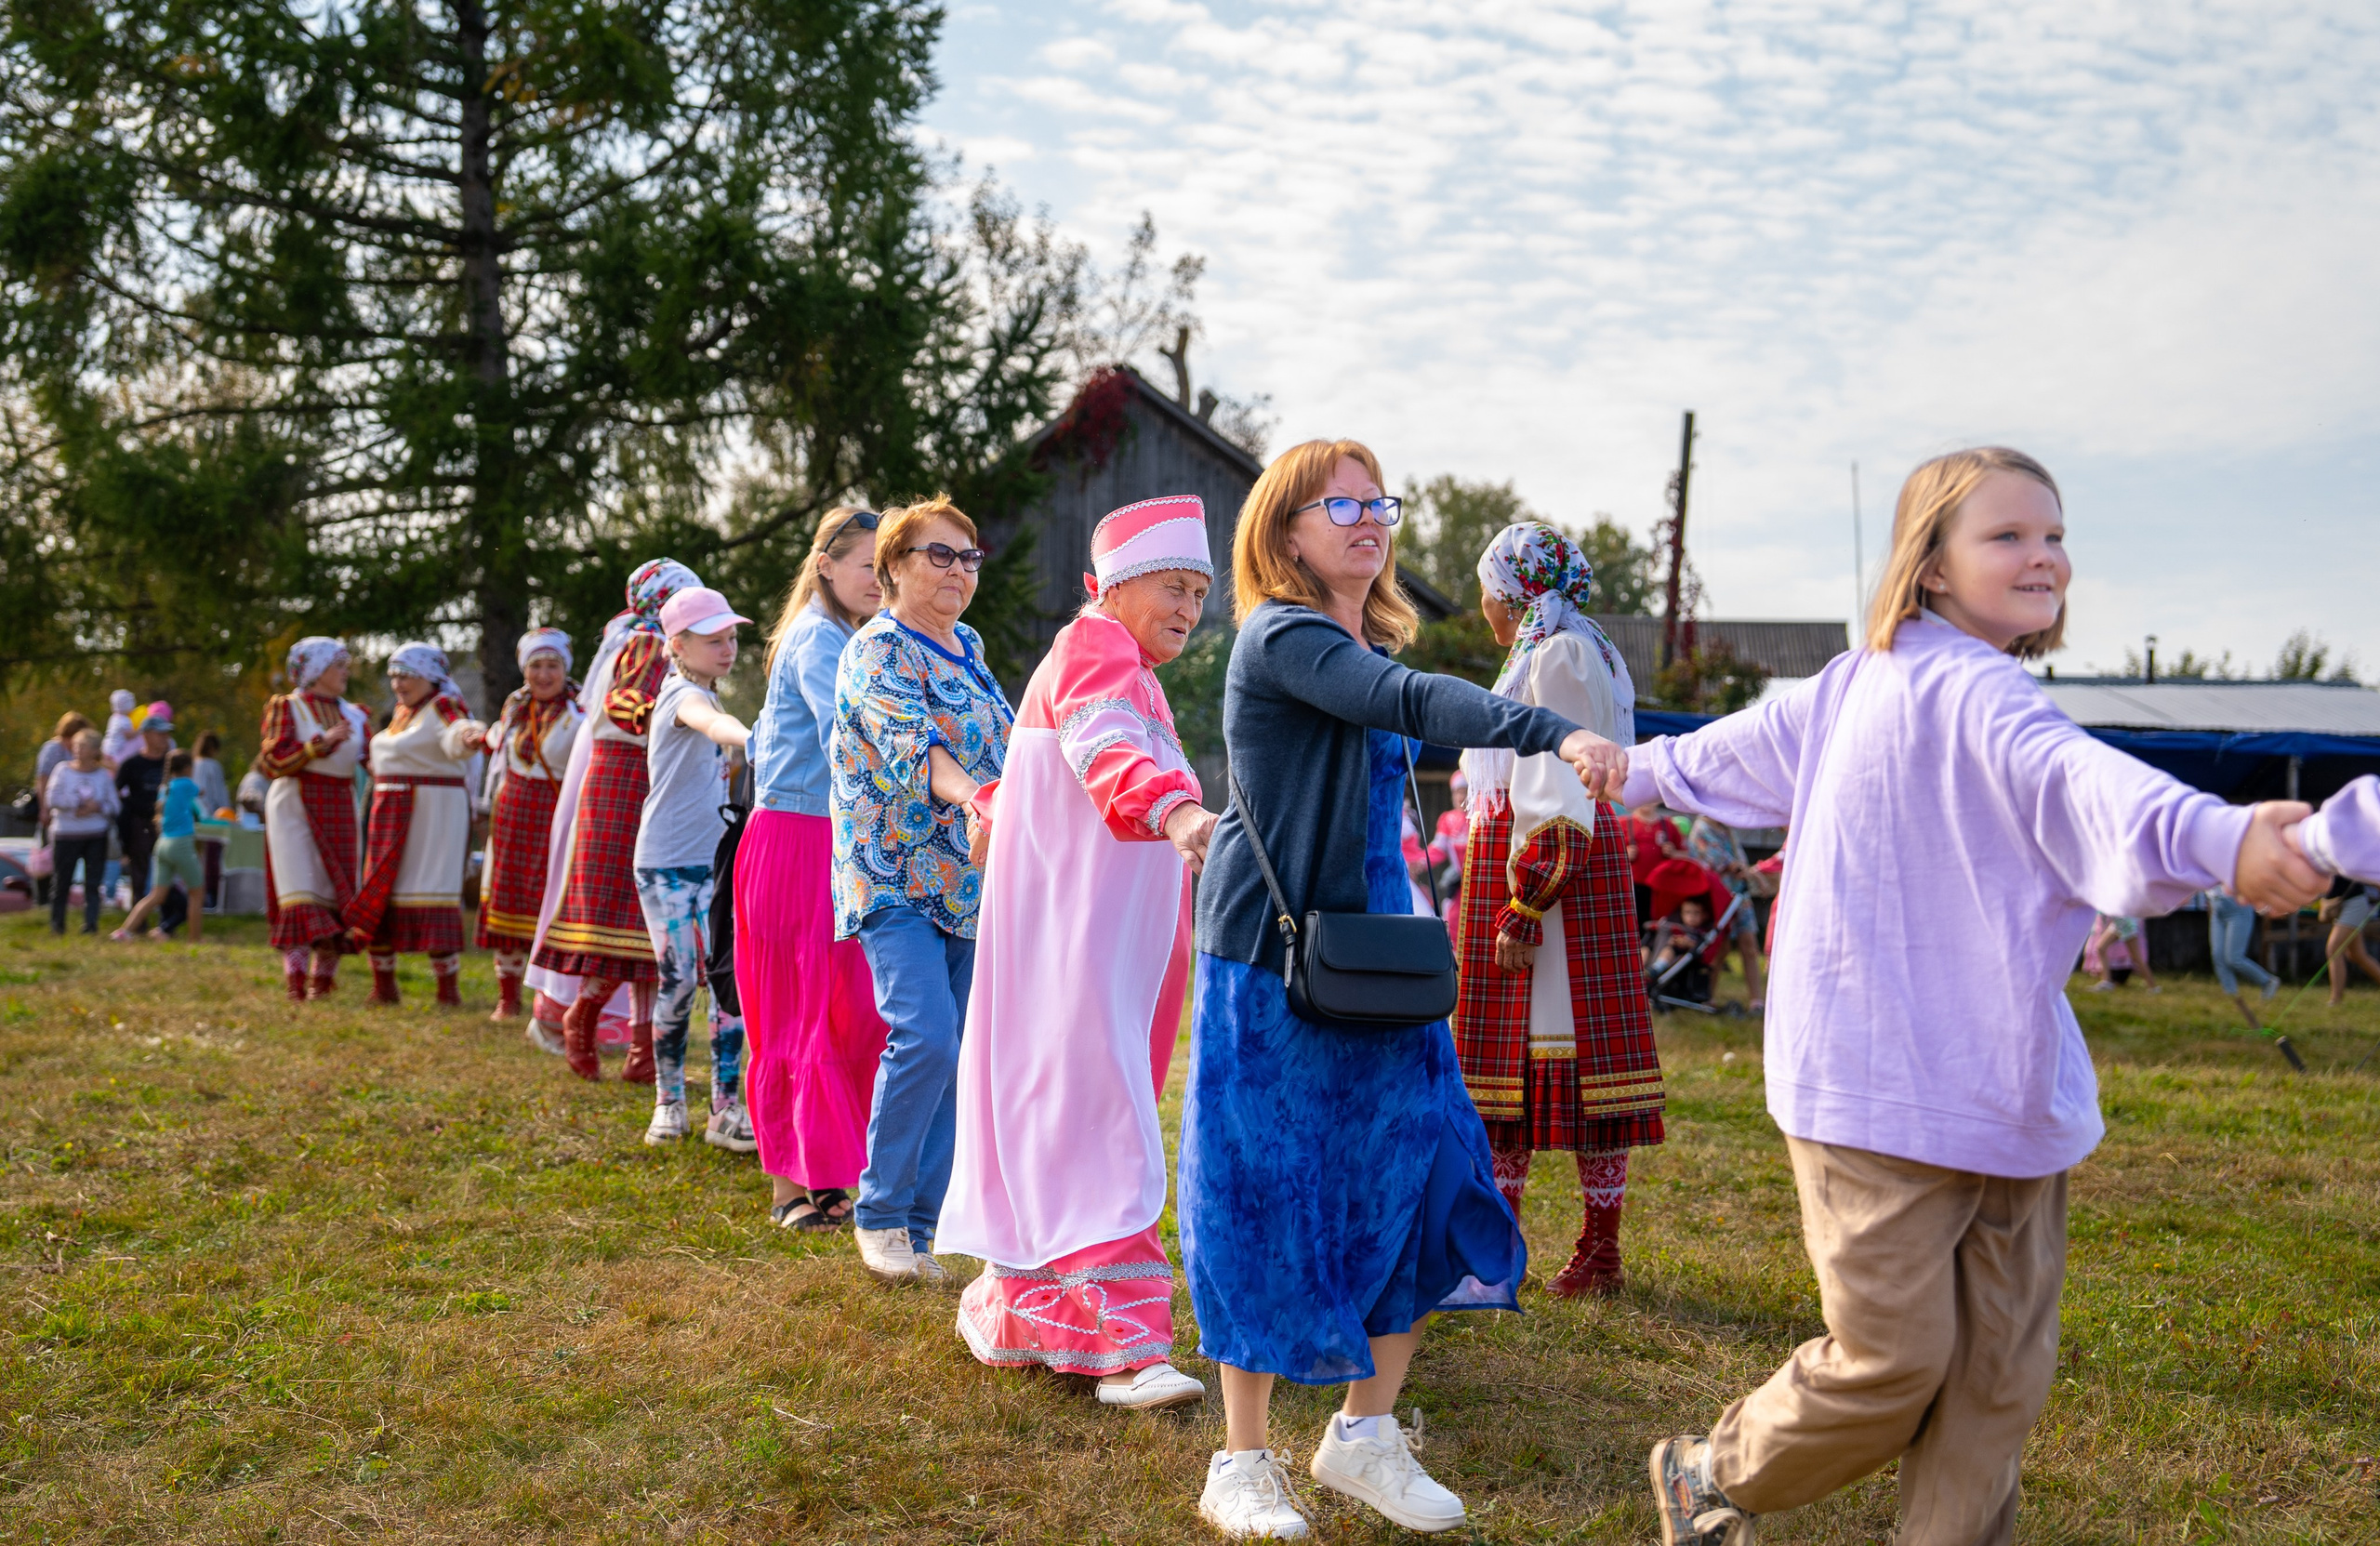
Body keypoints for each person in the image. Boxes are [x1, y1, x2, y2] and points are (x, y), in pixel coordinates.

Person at [1588, 447, 2328, 1546]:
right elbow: (1723, 756)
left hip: (2005, 1093)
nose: (2045, 557)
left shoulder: (1985, 700)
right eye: (2008, 535)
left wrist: (2218, 836)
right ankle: (1709, 1473)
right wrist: (1629, 767)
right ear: (1928, 565)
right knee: (1893, 1362)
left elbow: (2093, 791)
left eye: (2054, 534)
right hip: (1869, 1096)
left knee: (1995, 1385)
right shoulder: (1866, 685)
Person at [1185, 440, 1618, 1540]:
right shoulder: (1283, 635)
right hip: (1274, 960)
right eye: (1343, 503)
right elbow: (1406, 699)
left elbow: (1392, 697)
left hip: (1377, 954)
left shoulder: (1359, 633)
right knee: (1269, 1194)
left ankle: (1362, 1434)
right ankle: (1238, 1461)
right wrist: (1545, 726)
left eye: (1380, 502)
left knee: (1422, 1174)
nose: (1369, 519)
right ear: (1287, 530)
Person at [938, 495, 1220, 1411]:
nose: (1188, 607)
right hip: (1077, 952)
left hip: (1086, 950)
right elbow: (1105, 747)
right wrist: (1176, 808)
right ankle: (1129, 1348)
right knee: (1096, 1117)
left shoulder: (1112, 656)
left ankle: (1023, 1311)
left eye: (1200, 593)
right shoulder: (1099, 649)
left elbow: (1044, 762)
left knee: (1062, 1111)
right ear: (1121, 584)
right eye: (1173, 587)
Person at [1451, 522, 1665, 1302]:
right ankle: (1504, 1250)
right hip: (1546, 868)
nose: (1481, 605)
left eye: (1486, 591)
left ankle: (1591, 1254)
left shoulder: (1560, 655)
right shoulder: (1559, 651)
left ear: (1509, 593)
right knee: (1523, 1068)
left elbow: (1562, 782)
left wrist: (1527, 901)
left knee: (1567, 1064)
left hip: (1553, 877)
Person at [830, 495, 1013, 1287]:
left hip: (970, 878)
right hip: (893, 872)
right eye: (940, 554)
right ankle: (877, 1213)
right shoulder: (876, 650)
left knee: (957, 1051)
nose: (958, 570)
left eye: (969, 557)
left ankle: (920, 1224)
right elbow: (917, 747)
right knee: (927, 1035)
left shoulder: (967, 645)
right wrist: (977, 797)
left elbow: (1010, 742)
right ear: (894, 566)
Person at [737, 507, 892, 1230]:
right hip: (797, 838)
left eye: (888, 570)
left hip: (833, 838)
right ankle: (789, 1188)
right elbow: (849, 735)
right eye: (868, 566)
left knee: (847, 1010)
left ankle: (828, 1171)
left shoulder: (854, 638)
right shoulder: (817, 639)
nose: (879, 581)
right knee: (799, 1012)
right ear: (826, 566)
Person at [529, 559, 704, 1078]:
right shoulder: (650, 642)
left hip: (637, 774)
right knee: (624, 911)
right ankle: (583, 1020)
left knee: (649, 916)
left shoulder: (641, 638)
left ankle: (641, 1051)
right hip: (629, 777)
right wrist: (672, 715)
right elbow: (624, 702)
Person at [632, 587, 755, 1148]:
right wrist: (755, 739)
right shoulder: (680, 696)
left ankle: (726, 1109)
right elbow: (709, 725)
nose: (728, 649)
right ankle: (668, 1102)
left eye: (731, 637)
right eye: (714, 640)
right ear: (678, 646)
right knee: (680, 979)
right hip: (667, 863)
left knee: (726, 982)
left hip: (716, 862)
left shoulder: (708, 691)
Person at [342, 645, 485, 1006]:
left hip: (431, 814)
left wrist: (469, 737)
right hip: (390, 811)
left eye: (406, 675)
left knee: (431, 889)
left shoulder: (443, 705)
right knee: (383, 888)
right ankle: (384, 986)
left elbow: (458, 732)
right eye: (394, 675)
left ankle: (447, 991)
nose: (398, 683)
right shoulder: (404, 713)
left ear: (429, 676)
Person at [479, 628, 584, 1026]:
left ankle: (550, 999)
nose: (543, 675)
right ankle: (507, 999)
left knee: (550, 899)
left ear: (565, 668)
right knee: (508, 899)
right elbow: (499, 747)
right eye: (535, 666)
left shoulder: (581, 713)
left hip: (555, 815)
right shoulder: (514, 709)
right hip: (511, 817)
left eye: (552, 665)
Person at [260, 639, 372, 1000]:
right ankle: (295, 982)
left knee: (333, 892)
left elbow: (374, 761)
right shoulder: (288, 707)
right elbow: (272, 762)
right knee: (300, 891)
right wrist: (317, 745)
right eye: (338, 665)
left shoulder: (355, 715)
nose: (345, 672)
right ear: (316, 670)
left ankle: (322, 983)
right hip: (295, 803)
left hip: (340, 804)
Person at [113, 750, 205, 942]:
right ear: (188, 768)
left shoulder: (165, 788)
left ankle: (125, 931)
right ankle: (195, 939)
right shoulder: (186, 784)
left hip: (162, 844)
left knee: (156, 895)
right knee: (197, 893)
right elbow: (200, 792)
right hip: (181, 844)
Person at [1686, 815, 1767, 1010]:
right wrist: (1758, 878)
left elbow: (1738, 861)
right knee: (1720, 947)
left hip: (1740, 896)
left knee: (1749, 945)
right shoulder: (1702, 829)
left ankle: (1757, 1001)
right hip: (1719, 897)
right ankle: (1708, 996)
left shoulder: (1727, 829)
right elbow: (1729, 865)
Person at [44, 730, 116, 935]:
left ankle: (91, 925)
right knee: (61, 881)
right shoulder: (62, 771)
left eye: (83, 746)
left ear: (94, 751)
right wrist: (77, 803)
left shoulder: (102, 775)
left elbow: (115, 805)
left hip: (95, 835)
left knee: (93, 883)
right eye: (76, 746)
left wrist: (98, 807)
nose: (78, 750)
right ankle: (57, 925)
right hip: (66, 834)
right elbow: (52, 798)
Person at [113, 707, 176, 910]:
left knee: (169, 870)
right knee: (139, 870)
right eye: (160, 734)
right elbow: (115, 790)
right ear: (146, 735)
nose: (164, 738)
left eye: (167, 734)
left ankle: (167, 920)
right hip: (139, 823)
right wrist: (127, 809)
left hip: (167, 823)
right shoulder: (133, 763)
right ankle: (137, 923)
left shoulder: (172, 763)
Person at [2202, 888, 2278, 1022]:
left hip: (2238, 907)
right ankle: (2231, 997)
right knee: (2218, 956)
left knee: (2233, 958)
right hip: (2216, 906)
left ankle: (2267, 981)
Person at [2320, 877, 2380, 1006]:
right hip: (2341, 904)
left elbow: (2365, 871)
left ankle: (2336, 999)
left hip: (2354, 903)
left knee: (2333, 948)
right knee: (2357, 955)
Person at [191, 731, 232, 910]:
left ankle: (198, 893)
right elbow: (218, 792)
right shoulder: (212, 766)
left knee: (198, 857)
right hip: (213, 818)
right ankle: (211, 893)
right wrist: (228, 811)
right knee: (212, 859)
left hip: (195, 815)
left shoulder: (193, 764)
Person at [2083, 914, 2157, 992]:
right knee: (2101, 948)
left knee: (2136, 956)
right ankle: (2106, 982)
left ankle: (2152, 986)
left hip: (2125, 924)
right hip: (2118, 923)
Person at [101, 689, 139, 767]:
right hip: (117, 750)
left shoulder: (113, 717)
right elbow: (128, 735)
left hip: (107, 747)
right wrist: (139, 731)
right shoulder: (125, 720)